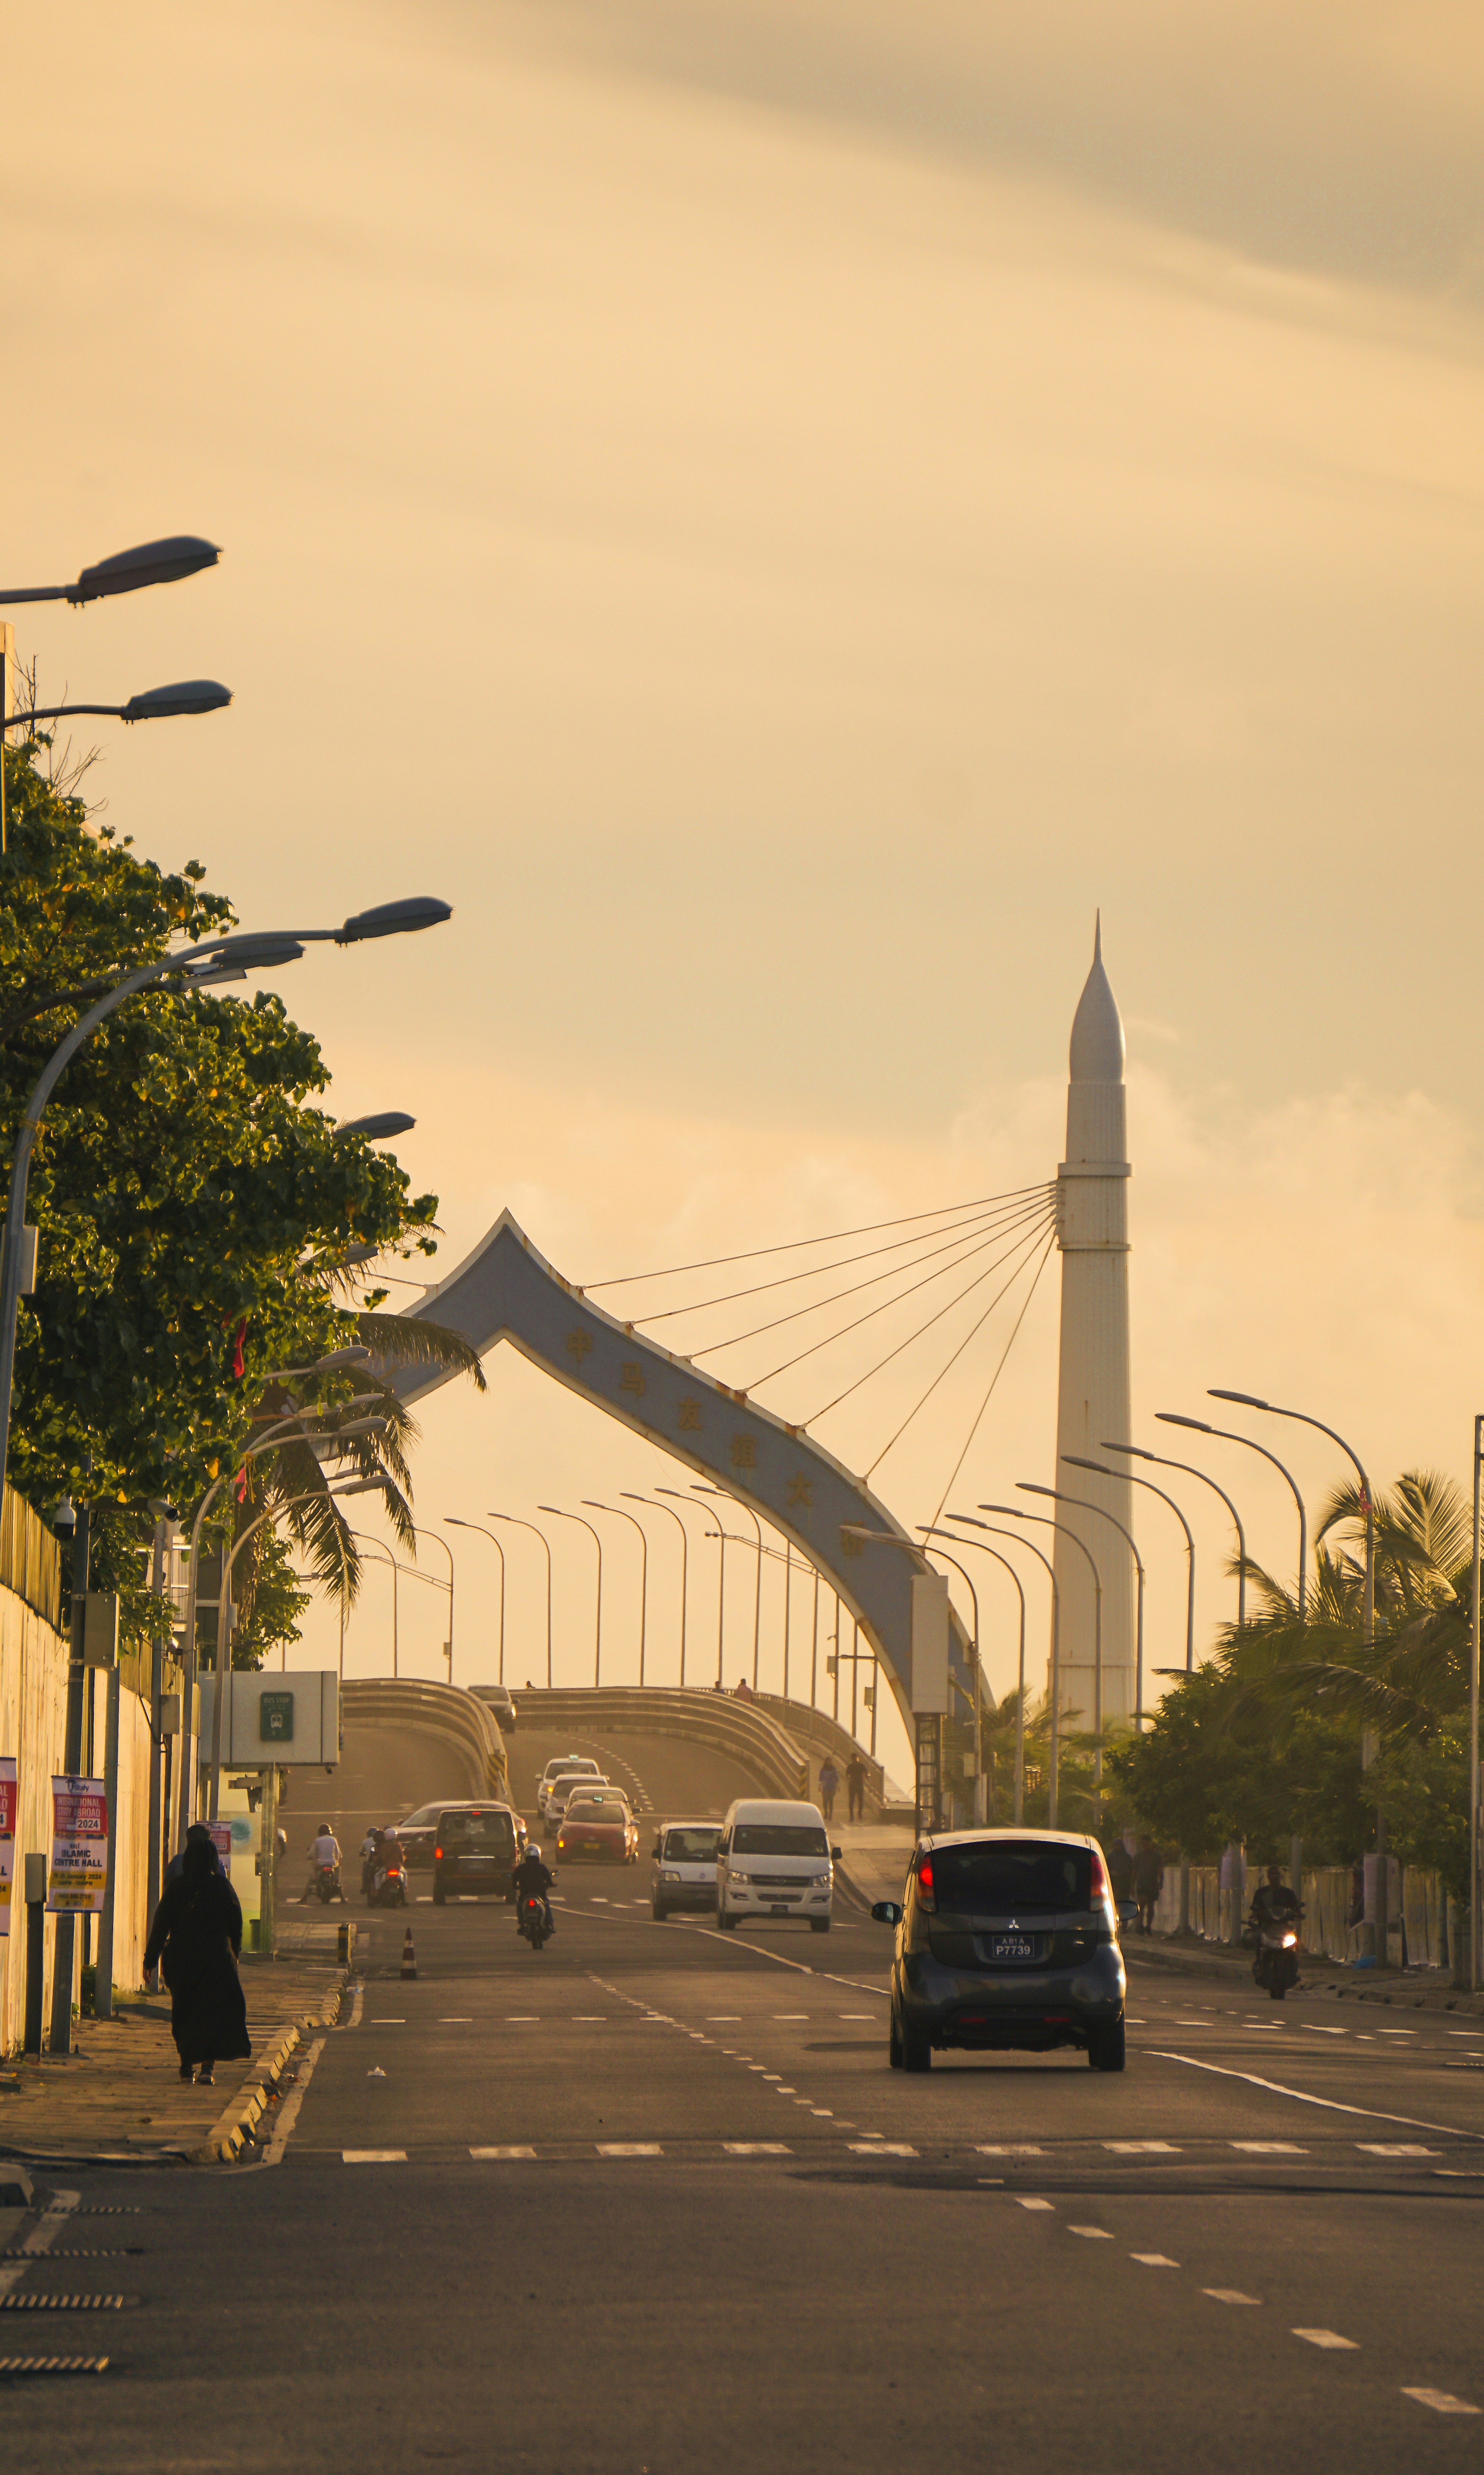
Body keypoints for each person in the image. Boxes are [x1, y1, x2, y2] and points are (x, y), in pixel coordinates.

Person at [144, 1825, 251, 2088]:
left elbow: (161, 1926)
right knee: (211, 2013)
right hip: (217, 1961)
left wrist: (150, 1960)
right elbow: (236, 1923)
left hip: (183, 1961)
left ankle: (186, 2062)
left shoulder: (177, 1888)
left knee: (184, 2011)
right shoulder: (222, 1887)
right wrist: (234, 1953)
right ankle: (208, 2068)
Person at [511, 1840, 555, 1938]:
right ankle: (549, 1925)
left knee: (520, 1905)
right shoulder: (541, 1867)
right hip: (540, 1893)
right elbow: (549, 1879)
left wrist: (514, 1886)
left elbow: (514, 1879)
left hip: (525, 1893)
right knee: (546, 1905)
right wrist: (551, 1884)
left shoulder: (521, 1868)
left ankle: (522, 1924)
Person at [1250, 1864, 1301, 1934]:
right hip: (1265, 1927)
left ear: (1281, 1876)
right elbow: (1255, 1908)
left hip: (1283, 1927)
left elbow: (1296, 1906)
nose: (1276, 1876)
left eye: (1277, 1874)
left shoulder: (1288, 1893)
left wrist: (1299, 1914)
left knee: (1298, 1943)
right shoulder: (1261, 1893)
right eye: (1273, 1874)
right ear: (1268, 1877)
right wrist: (1255, 1915)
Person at [300, 1821, 342, 1904]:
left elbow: (312, 1854)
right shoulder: (334, 1840)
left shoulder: (318, 1841)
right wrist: (337, 1860)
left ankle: (304, 1898)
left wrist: (310, 1857)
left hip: (320, 1864)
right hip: (332, 1863)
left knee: (312, 1879)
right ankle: (342, 1897)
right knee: (338, 1877)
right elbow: (338, 1853)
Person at [1132, 1836, 1164, 1935]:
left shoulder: (1157, 1856)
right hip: (1142, 1884)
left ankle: (1149, 1926)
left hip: (1152, 1884)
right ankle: (1140, 1925)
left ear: (1150, 1844)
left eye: (1147, 1844)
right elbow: (1135, 1872)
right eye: (1144, 1844)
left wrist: (1161, 1882)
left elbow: (1160, 1870)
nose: (1145, 1846)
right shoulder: (1138, 1857)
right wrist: (1132, 1885)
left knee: (1151, 1906)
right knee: (1141, 1905)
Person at [845, 1752, 868, 1823]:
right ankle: (852, 1815)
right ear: (852, 1759)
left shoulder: (861, 1766)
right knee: (852, 1800)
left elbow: (866, 1772)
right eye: (854, 1758)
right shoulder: (850, 1766)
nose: (855, 1759)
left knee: (860, 1800)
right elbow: (847, 1775)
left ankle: (860, 1813)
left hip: (859, 1785)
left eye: (855, 1758)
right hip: (853, 1785)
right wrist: (850, 1779)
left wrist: (867, 1775)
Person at [818, 1758, 839, 1822]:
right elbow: (820, 1779)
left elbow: (837, 1778)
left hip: (832, 1787)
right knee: (825, 1801)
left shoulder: (833, 1769)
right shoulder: (823, 1770)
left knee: (831, 1801)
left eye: (830, 1761)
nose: (829, 1763)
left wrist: (838, 1786)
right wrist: (819, 1787)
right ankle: (826, 1812)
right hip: (825, 1787)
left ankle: (830, 1814)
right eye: (828, 1761)